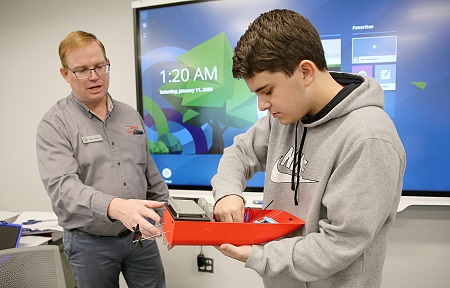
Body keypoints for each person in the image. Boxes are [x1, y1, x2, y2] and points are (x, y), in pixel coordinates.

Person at [212, 9, 406, 288]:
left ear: (305, 72)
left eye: (267, 91)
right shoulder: (283, 118)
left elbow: (339, 243)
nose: (262, 105)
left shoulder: (369, 137)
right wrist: (228, 192)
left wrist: (259, 256)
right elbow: (239, 152)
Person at [36, 31, 169, 288]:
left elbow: (149, 174)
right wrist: (116, 207)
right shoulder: (54, 124)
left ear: (108, 63)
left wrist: (169, 217)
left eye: (99, 66)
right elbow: (63, 188)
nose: (94, 76)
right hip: (89, 245)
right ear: (65, 74)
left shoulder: (130, 115)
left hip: (140, 238)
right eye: (82, 70)